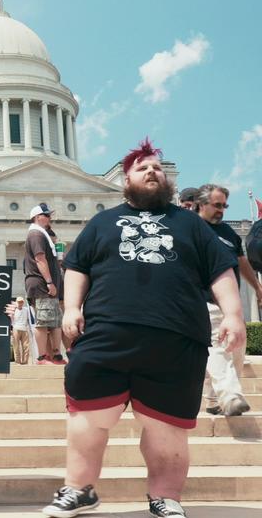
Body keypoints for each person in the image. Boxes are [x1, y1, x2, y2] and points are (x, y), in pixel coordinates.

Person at [42, 139, 244, 518]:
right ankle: (78, 488)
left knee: (166, 429)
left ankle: (165, 497)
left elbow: (220, 269)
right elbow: (77, 267)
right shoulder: (102, 221)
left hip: (177, 336)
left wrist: (233, 315)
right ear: (126, 179)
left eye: (157, 167)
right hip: (105, 334)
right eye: (142, 167)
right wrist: (71, 308)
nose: (152, 171)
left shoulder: (191, 224)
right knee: (86, 420)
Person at [194, 184, 262, 416]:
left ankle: (214, 400)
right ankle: (230, 394)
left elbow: (242, 262)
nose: (222, 210)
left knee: (237, 349)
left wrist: (257, 286)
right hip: (204, 299)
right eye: (217, 205)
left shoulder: (229, 233)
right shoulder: (190, 227)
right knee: (218, 345)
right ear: (200, 204)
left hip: (231, 303)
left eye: (224, 205)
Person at [24, 203, 64, 365]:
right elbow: (40, 259)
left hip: (44, 284)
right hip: (41, 284)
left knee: (53, 321)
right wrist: (49, 282)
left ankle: (55, 355)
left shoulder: (41, 234)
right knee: (44, 321)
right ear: (37, 217)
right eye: (46, 215)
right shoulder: (36, 234)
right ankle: (42, 357)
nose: (49, 218)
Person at [11, 297, 32, 365]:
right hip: (16, 329)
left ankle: (25, 361)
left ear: (23, 302)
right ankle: (17, 361)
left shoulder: (26, 310)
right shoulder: (13, 310)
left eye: (21, 302)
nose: (20, 303)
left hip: (24, 329)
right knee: (16, 346)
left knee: (26, 346)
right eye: (18, 302)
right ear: (16, 302)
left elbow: (29, 319)